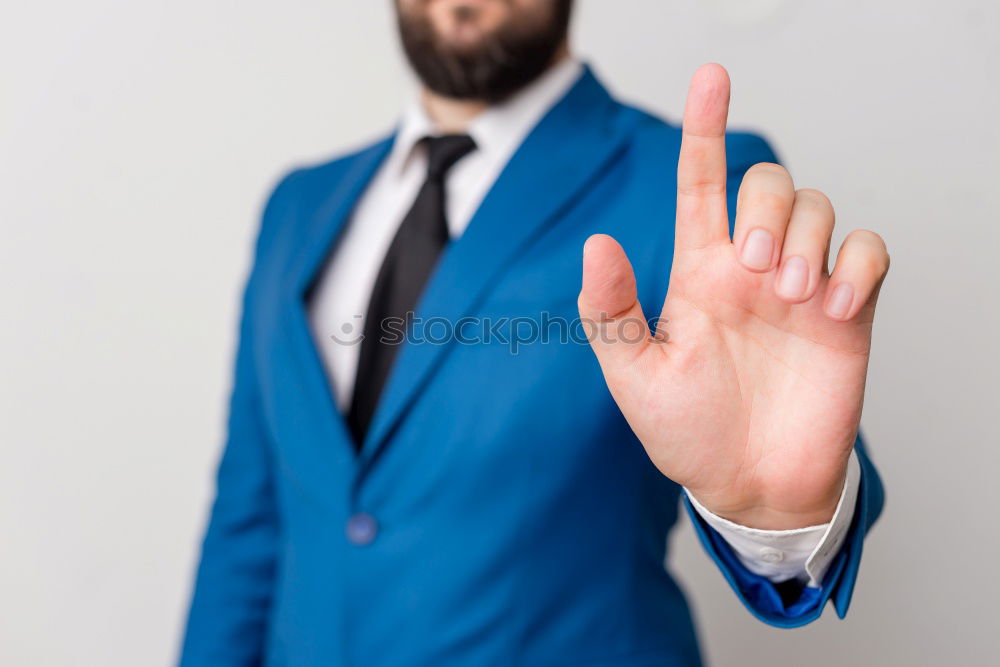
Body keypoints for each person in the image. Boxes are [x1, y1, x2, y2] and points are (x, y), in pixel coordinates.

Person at [180, 1, 888, 665]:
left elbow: (786, 447)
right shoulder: (297, 207)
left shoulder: (684, 186)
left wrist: (770, 514)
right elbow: (250, 515)